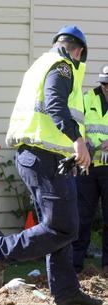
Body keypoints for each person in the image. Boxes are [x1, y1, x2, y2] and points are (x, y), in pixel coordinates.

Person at [0, 26, 103, 305]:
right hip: (43, 158)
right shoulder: (62, 67)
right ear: (78, 51)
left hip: (41, 158)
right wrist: (78, 141)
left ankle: (67, 294)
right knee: (64, 226)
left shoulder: (40, 65)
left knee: (58, 228)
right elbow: (54, 105)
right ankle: (0, 250)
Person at [71, 65, 108, 275]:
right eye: (104, 84)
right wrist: (81, 140)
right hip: (88, 166)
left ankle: (106, 267)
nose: (107, 88)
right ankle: (75, 266)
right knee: (82, 216)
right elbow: (75, 122)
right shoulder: (87, 98)